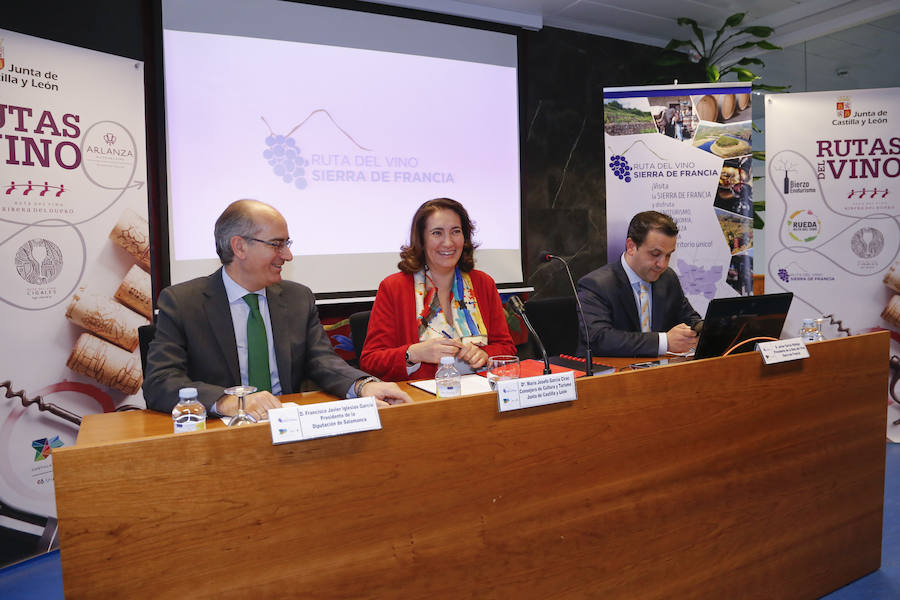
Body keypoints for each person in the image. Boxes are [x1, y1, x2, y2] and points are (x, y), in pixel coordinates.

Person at [143, 199, 411, 418]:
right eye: (276, 244)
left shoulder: (297, 298)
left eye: (286, 244)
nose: (287, 255)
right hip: (219, 438)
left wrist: (364, 385)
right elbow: (160, 381)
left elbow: (323, 362)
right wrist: (227, 401)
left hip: (288, 428)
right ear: (239, 247)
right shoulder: (184, 302)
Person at [360, 198, 516, 382]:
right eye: (437, 233)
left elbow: (507, 348)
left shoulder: (483, 283)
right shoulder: (394, 288)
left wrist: (484, 353)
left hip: (479, 397)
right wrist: (413, 353)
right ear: (421, 240)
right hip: (422, 401)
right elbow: (370, 361)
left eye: (455, 232)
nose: (448, 242)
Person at [576, 210, 701, 358]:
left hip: (656, 372)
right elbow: (599, 339)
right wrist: (664, 341)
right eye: (655, 254)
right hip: (609, 373)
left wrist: (701, 328)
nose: (663, 264)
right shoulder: (596, 285)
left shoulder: (667, 278)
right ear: (631, 247)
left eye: (668, 255)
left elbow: (689, 318)